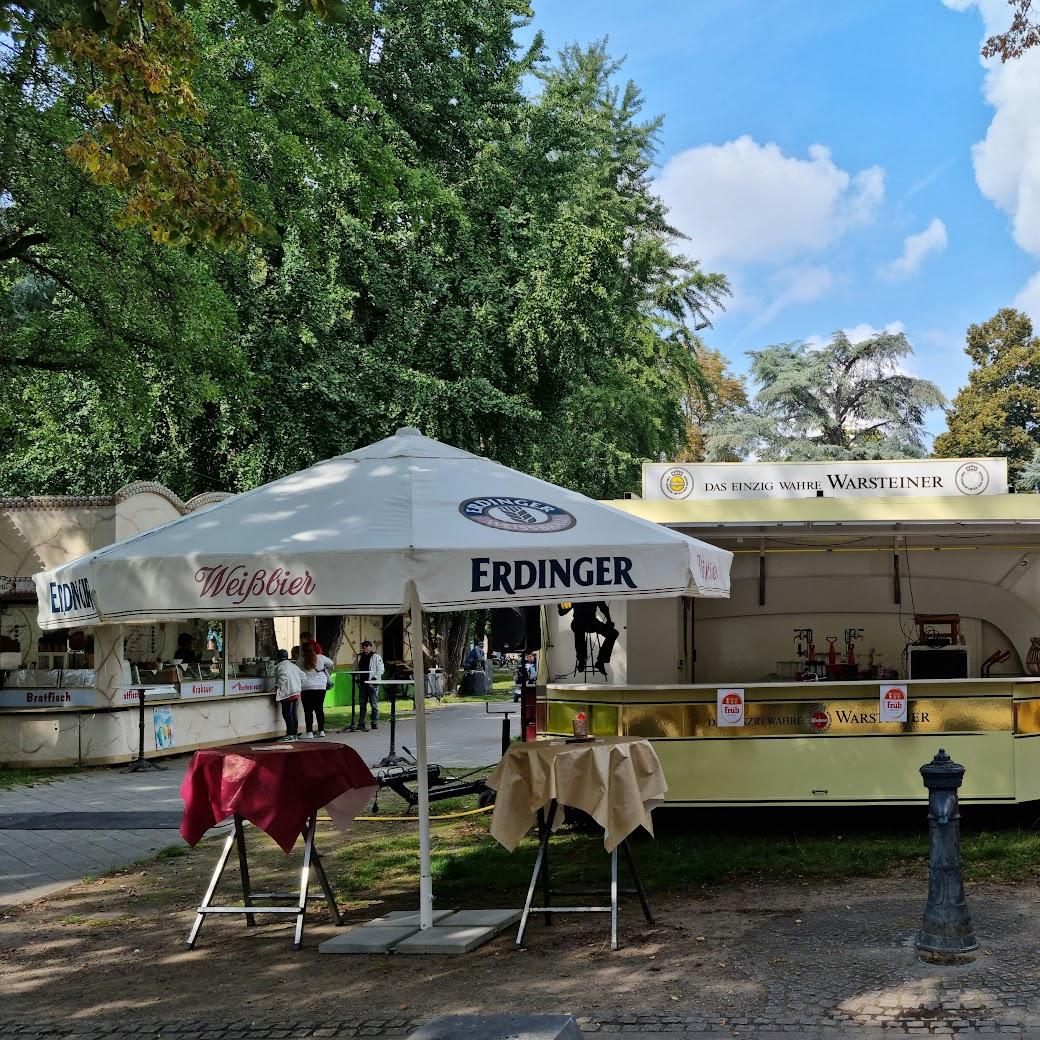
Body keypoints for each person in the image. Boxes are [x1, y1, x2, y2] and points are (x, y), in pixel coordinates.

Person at [558, 601, 618, 675]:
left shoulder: (593, 592)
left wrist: (609, 621)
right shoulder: (575, 594)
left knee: (613, 633)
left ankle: (600, 661)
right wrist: (563, 605)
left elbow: (603, 607)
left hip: (591, 622)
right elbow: (561, 612)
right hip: (579, 621)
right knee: (579, 626)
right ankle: (581, 660)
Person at [299, 642, 334, 737]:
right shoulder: (321, 657)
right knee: (319, 709)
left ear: (302, 650)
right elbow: (331, 663)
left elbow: (298, 671)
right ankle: (321, 731)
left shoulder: (300, 660)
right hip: (321, 686)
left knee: (308, 710)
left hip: (307, 687)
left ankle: (309, 732)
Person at [355, 639, 385, 731]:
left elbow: (380, 670)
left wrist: (373, 679)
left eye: (366, 646)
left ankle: (374, 722)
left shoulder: (376, 657)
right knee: (362, 704)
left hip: (373, 683)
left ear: (370, 647)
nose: (364, 648)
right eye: (363, 647)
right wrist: (356, 678)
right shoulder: (359, 657)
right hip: (362, 683)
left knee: (374, 704)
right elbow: (355, 668)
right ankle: (361, 723)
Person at [274, 649, 303, 738]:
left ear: (278, 658)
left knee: (287, 713)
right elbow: (303, 676)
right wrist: (298, 685)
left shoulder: (280, 666)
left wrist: (276, 686)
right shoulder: (293, 666)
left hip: (287, 693)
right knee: (293, 713)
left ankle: (290, 733)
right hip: (296, 692)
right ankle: (294, 732)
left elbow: (283, 676)